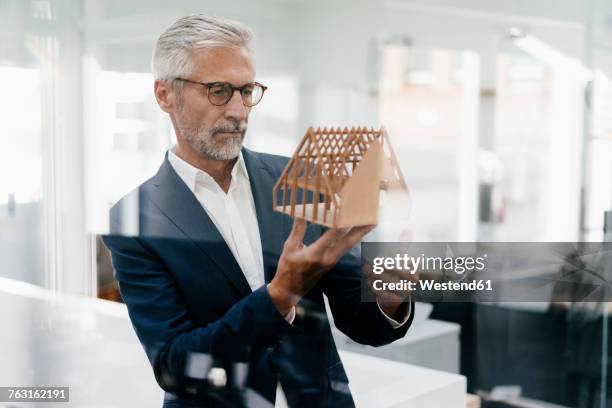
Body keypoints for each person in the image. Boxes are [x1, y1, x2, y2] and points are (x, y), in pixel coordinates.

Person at [102, 14, 414, 408]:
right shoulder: (134, 220)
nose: (239, 111)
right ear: (165, 95)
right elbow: (174, 366)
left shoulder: (302, 177)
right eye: (219, 91)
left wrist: (387, 295)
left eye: (246, 90)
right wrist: (280, 296)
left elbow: (359, 320)